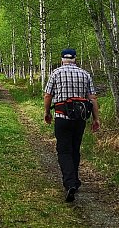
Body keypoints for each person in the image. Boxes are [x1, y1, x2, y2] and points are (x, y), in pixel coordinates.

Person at [43, 48, 100, 202]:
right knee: (75, 149)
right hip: (80, 119)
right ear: (75, 59)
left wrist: (47, 112)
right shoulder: (85, 74)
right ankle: (74, 180)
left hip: (62, 117)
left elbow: (48, 95)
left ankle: (70, 184)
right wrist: (96, 119)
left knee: (63, 150)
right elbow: (92, 97)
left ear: (62, 59)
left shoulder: (55, 73)